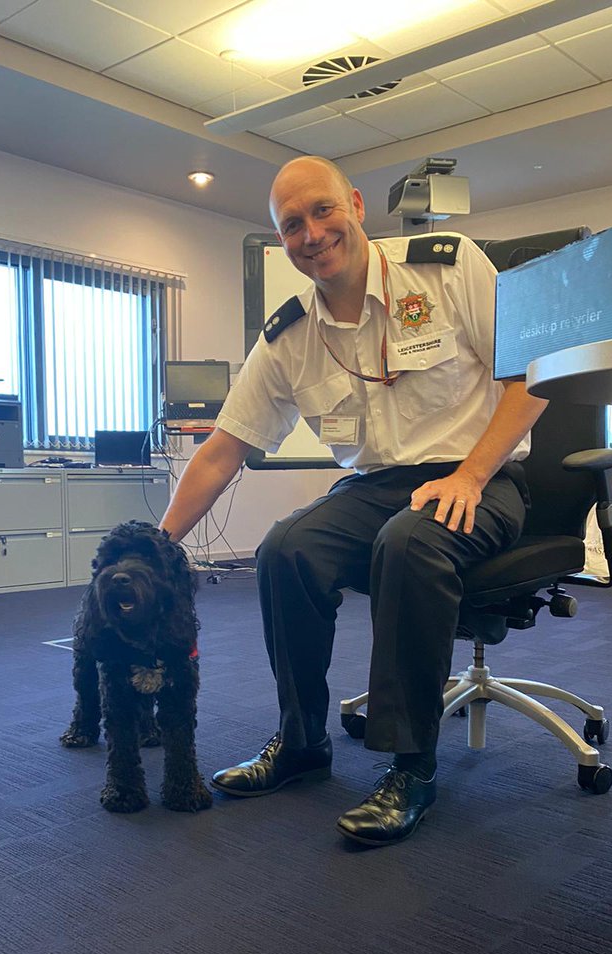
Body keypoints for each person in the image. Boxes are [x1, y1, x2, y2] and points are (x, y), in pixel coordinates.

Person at [160, 155, 547, 847]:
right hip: (375, 485)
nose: (312, 233)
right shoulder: (287, 338)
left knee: (411, 539)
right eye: (292, 225)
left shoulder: (447, 266)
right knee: (285, 548)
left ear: (357, 205)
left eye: (322, 211)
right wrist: (158, 547)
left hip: (480, 476)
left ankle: (411, 766)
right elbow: (223, 447)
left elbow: (536, 373)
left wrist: (470, 476)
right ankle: (302, 742)